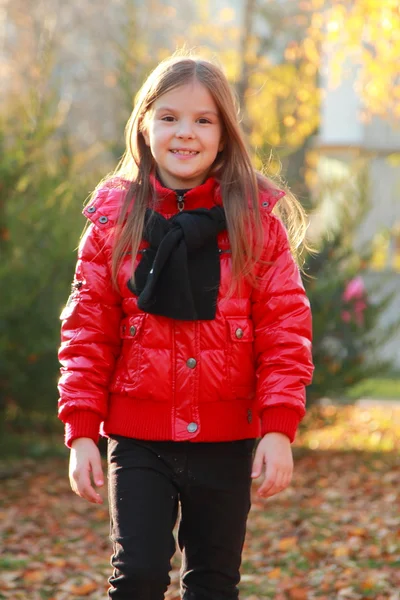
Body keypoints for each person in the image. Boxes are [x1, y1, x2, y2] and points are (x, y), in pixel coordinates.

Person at [58, 53, 314, 600]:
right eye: (170, 117)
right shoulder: (112, 225)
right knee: (140, 577)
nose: (186, 133)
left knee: (213, 584)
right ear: (145, 125)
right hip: (138, 438)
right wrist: (82, 430)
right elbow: (86, 331)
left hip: (227, 437)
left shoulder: (256, 225)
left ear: (225, 133)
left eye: (204, 120)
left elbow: (284, 330)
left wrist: (277, 426)